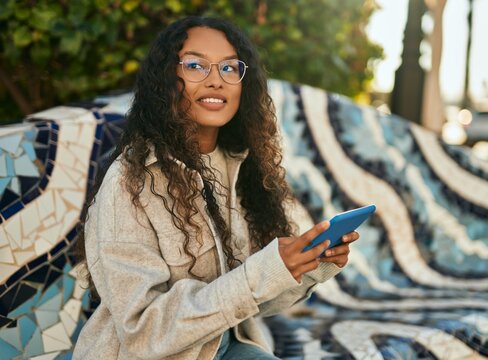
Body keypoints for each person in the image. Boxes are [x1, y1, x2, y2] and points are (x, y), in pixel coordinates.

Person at [73, 16, 360, 360]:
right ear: (168, 79)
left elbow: (250, 299)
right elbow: (144, 331)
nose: (215, 81)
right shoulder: (130, 181)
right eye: (195, 65)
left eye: (228, 68)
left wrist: (307, 265)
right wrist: (259, 274)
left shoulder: (238, 165)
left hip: (226, 347)